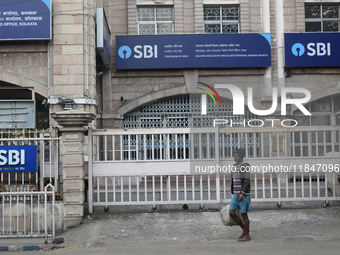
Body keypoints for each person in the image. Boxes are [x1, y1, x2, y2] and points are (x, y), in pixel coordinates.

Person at [229, 148, 251, 241]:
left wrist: (242, 193)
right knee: (231, 213)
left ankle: (247, 235)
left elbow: (246, 180)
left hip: (243, 194)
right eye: (234, 155)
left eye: (236, 156)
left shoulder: (245, 165)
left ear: (241, 156)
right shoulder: (234, 166)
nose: (234, 157)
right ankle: (245, 230)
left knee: (244, 214)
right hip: (235, 194)